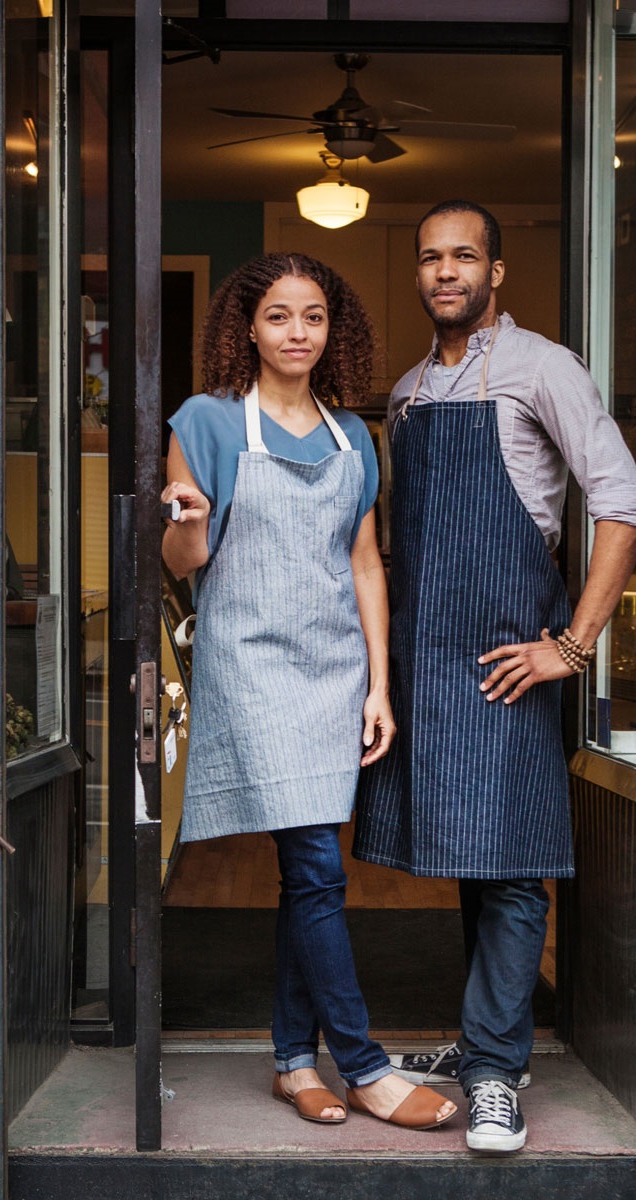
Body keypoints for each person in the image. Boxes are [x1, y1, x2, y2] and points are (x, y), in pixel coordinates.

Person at [354, 200, 636, 1154]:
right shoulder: (406, 394)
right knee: (473, 866)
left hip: (512, 662)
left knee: (513, 869)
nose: (444, 272)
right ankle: (491, 1052)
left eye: (464, 257)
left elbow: (621, 501)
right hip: (427, 663)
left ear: (495, 273)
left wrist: (572, 644)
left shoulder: (541, 367)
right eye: (431, 258)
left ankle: (493, 1076)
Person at [162, 253, 456, 1132]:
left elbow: (365, 562)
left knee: (306, 874)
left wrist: (378, 682)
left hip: (333, 668)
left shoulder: (351, 437)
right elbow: (181, 562)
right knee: (318, 866)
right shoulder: (207, 422)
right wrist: (193, 523)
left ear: (334, 331)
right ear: (247, 328)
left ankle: (295, 1063)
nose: (298, 332)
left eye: (314, 316)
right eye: (280, 316)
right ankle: (364, 1064)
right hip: (249, 660)